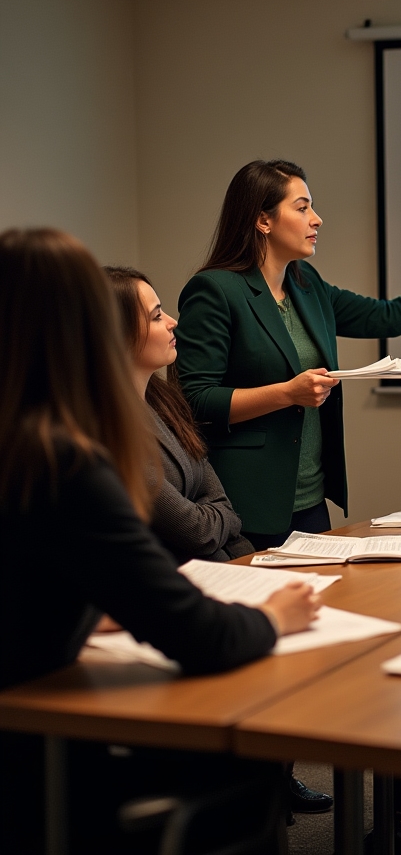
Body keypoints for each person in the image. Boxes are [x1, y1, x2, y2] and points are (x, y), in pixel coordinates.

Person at [0, 228, 321, 850]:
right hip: (30, 765)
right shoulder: (65, 461)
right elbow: (201, 637)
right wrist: (276, 617)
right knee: (245, 765)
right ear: (86, 330)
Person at [175, 159, 401, 548]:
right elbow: (195, 400)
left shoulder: (307, 285)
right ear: (263, 220)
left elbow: (384, 317)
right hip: (250, 504)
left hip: (310, 499)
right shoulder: (215, 291)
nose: (317, 219)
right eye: (303, 207)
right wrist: (287, 394)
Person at [105, 265, 253, 563]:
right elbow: (197, 532)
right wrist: (221, 518)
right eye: (157, 316)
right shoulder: (107, 427)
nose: (173, 322)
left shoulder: (163, 401)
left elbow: (221, 503)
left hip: (227, 572)